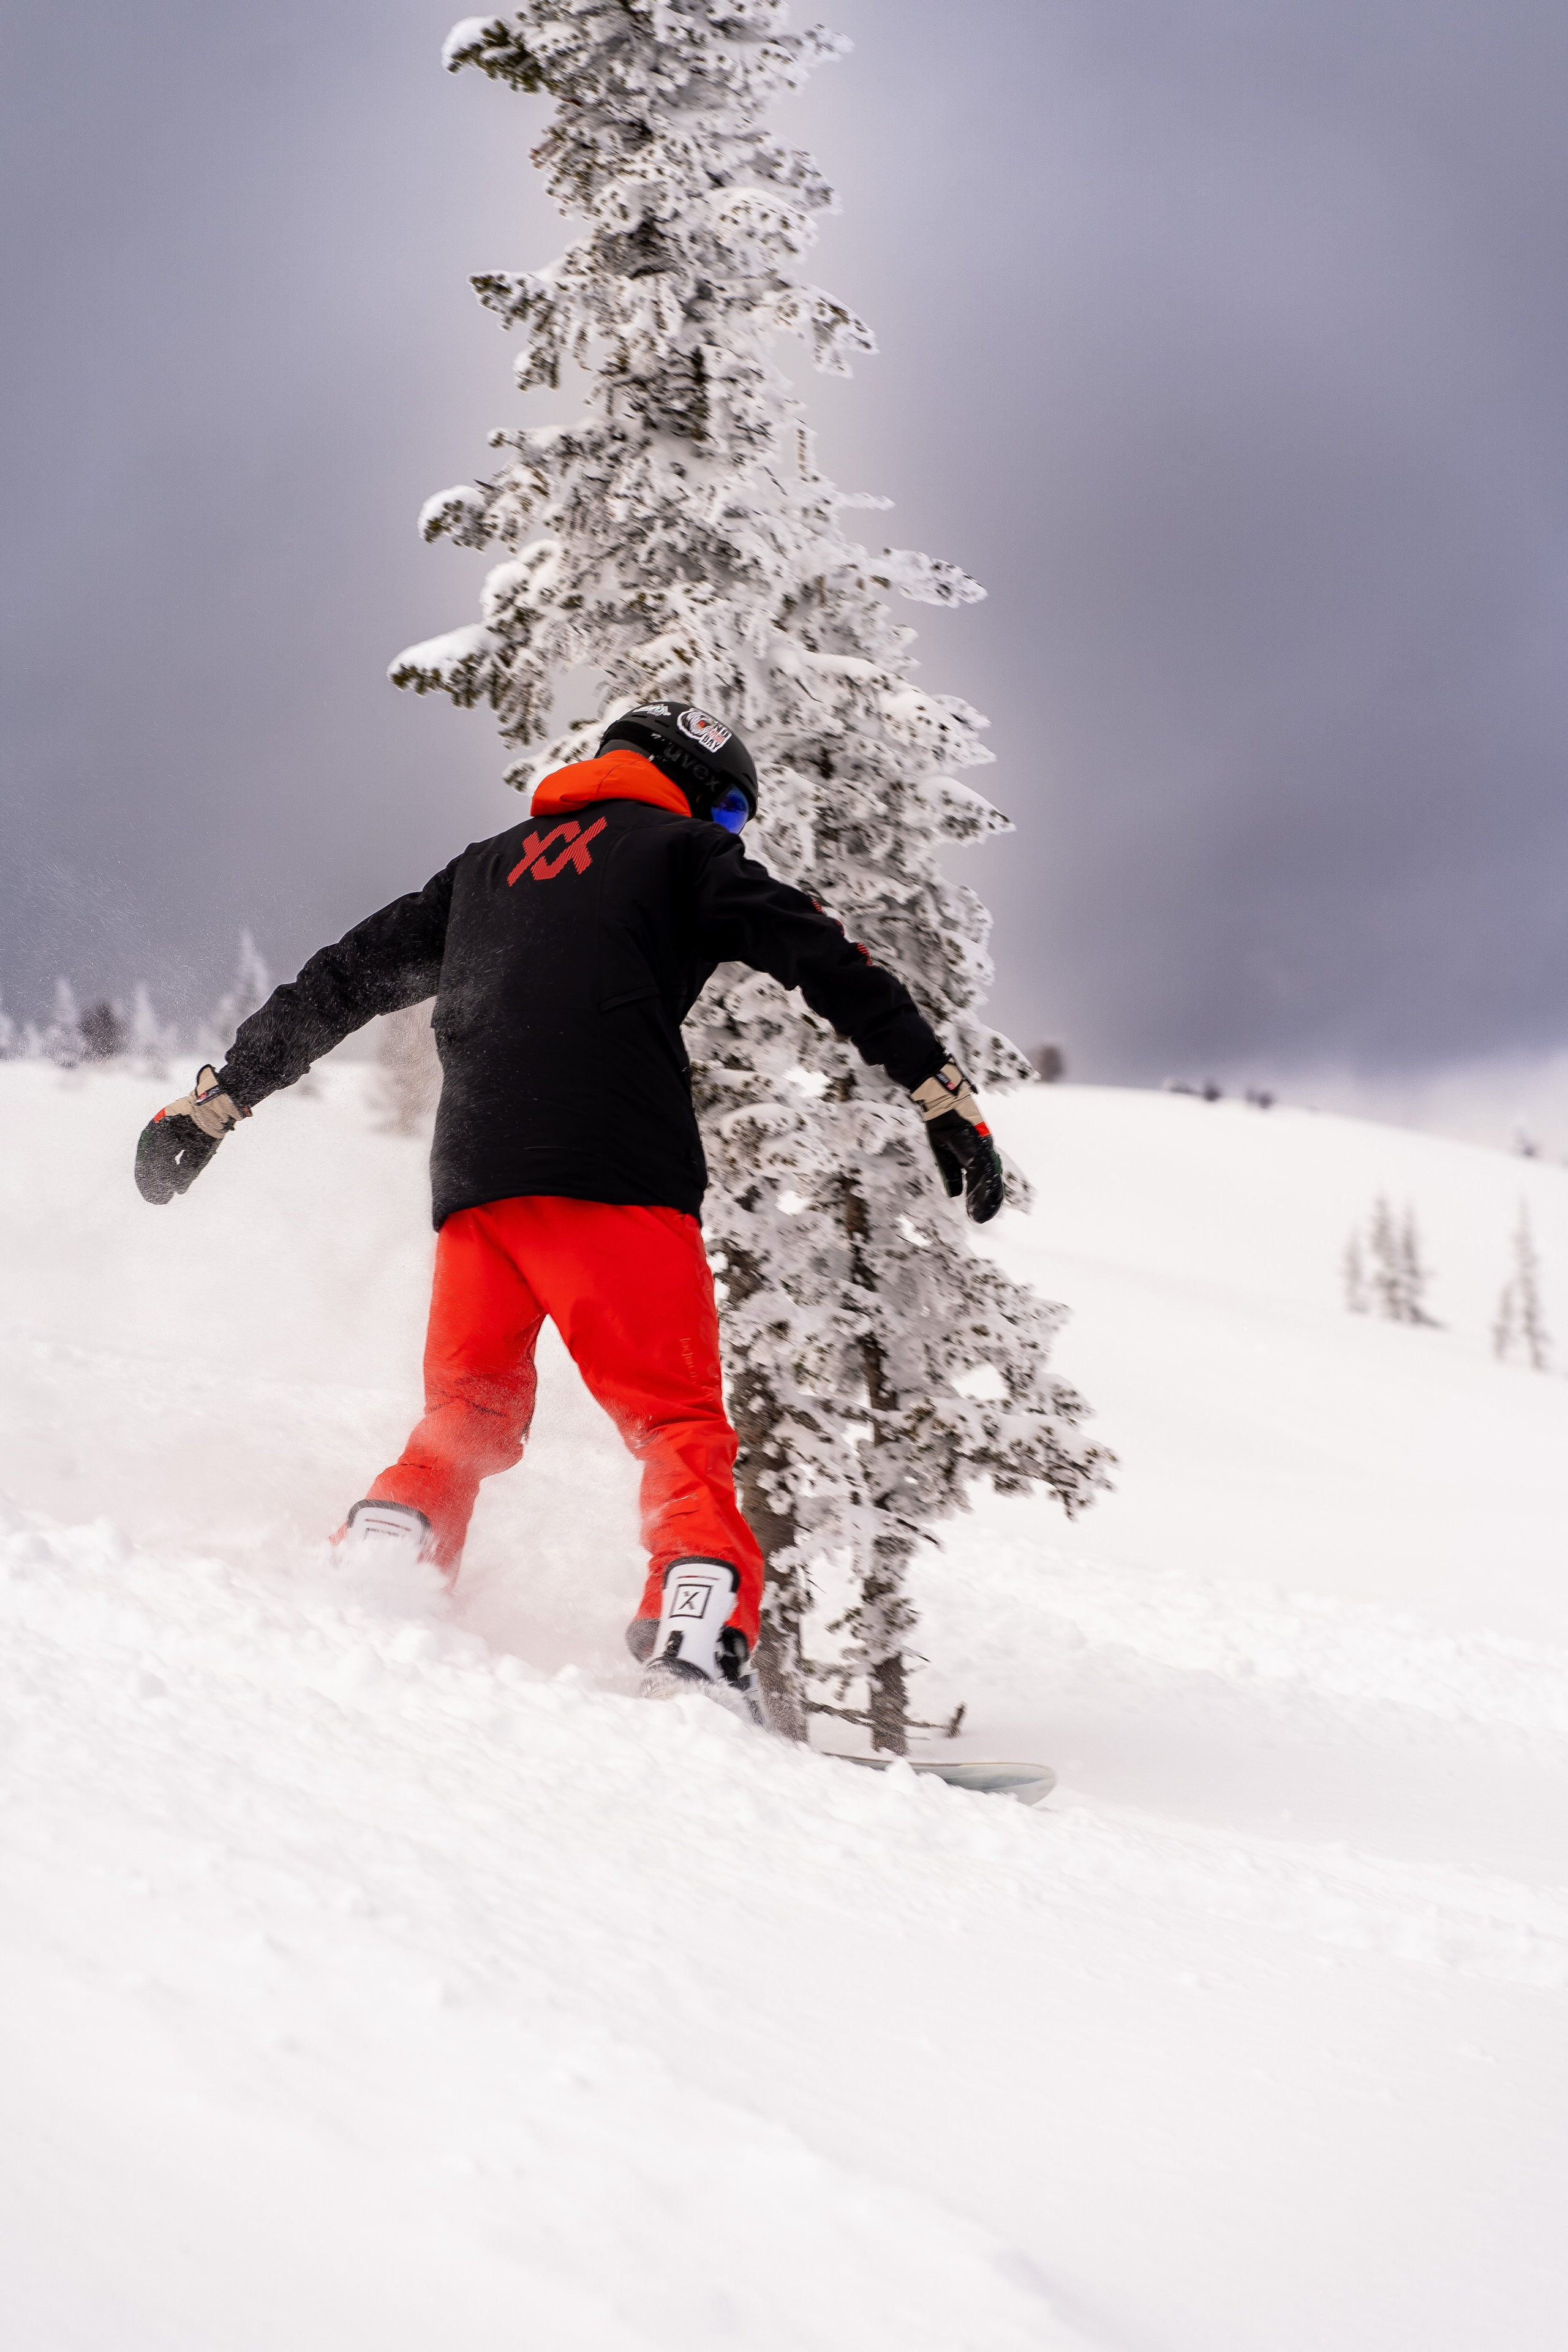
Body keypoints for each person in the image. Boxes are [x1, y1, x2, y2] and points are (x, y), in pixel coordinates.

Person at [134, 703, 1006, 1722]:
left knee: (465, 1416)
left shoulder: (481, 871)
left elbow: (342, 981)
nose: (725, 830)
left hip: (479, 1187)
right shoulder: (683, 853)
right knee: (675, 1421)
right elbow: (830, 961)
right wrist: (943, 1096)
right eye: (727, 808)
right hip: (618, 1177)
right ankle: (696, 1641)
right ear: (683, 779)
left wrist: (217, 1101)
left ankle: (389, 1556)